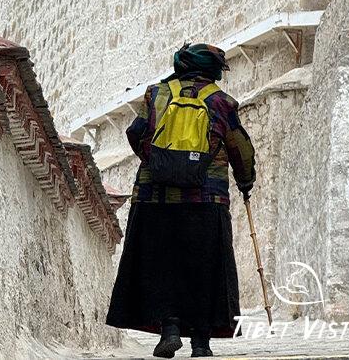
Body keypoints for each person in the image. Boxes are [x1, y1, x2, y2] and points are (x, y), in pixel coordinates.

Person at [105, 43, 256, 358]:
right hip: (207, 198)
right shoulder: (221, 101)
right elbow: (239, 145)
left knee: (162, 266)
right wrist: (245, 181)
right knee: (203, 268)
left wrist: (157, 162)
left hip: (154, 197)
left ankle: (169, 330)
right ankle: (201, 343)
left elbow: (136, 133)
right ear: (212, 70)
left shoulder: (156, 94)